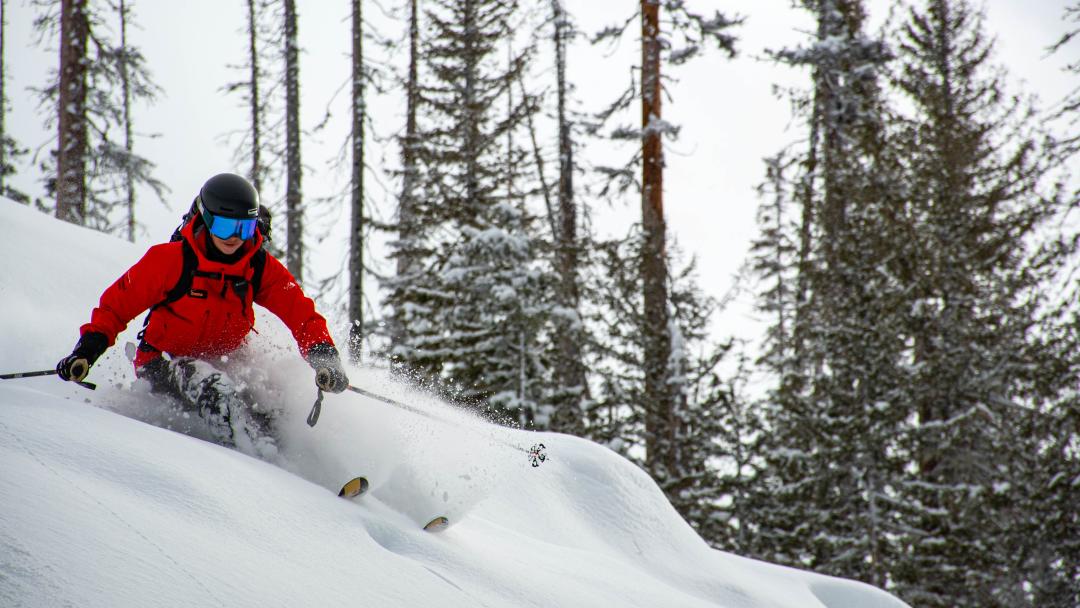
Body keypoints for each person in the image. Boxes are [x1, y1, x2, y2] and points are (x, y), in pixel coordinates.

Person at [55, 173, 349, 452]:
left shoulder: (257, 267)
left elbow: (301, 314)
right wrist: (87, 351)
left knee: (269, 403)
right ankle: (251, 468)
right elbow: (115, 308)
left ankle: (295, 470)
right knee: (215, 392)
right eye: (224, 226)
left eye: (243, 228)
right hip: (164, 361)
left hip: (227, 357)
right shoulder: (170, 261)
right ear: (205, 219)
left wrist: (325, 358)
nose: (234, 238)